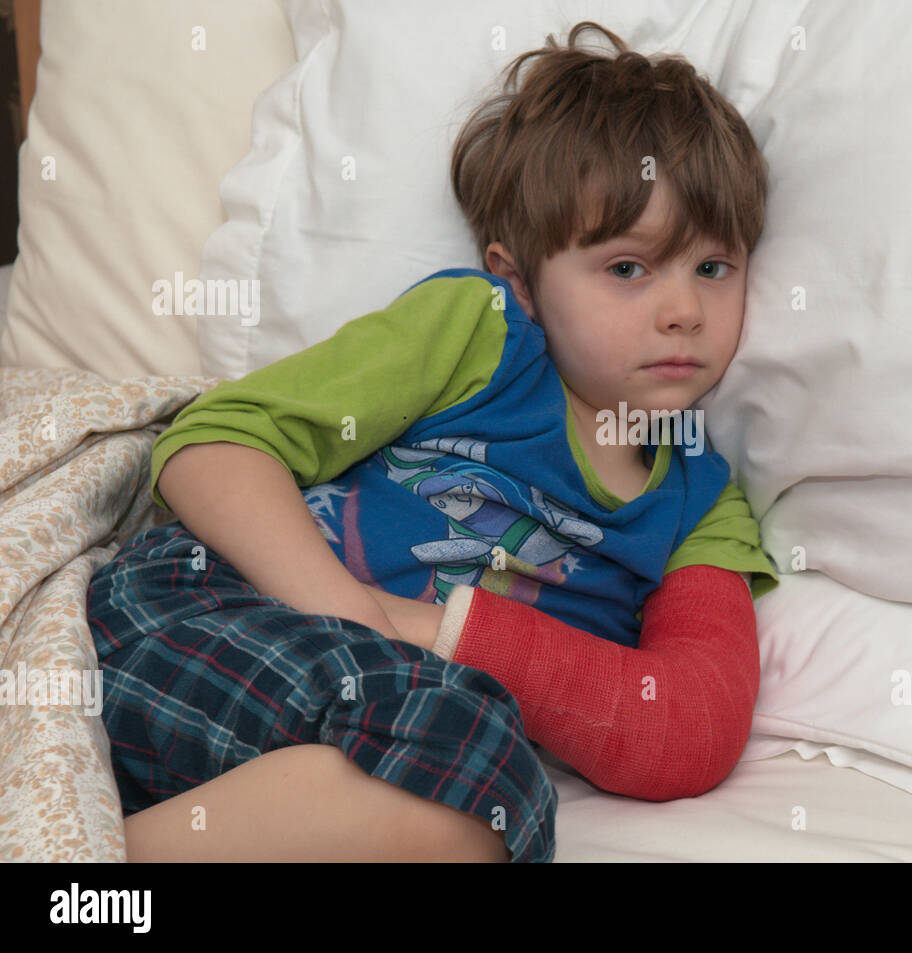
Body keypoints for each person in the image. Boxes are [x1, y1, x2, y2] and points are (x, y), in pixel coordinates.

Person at [86, 19, 777, 864]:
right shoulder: (478, 333)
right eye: (627, 268)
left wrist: (410, 627)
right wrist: (346, 610)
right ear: (517, 279)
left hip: (383, 733)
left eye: (714, 267)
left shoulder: (702, 503)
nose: (684, 310)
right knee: (473, 758)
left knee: (490, 804)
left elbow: (686, 728)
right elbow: (210, 447)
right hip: (204, 610)